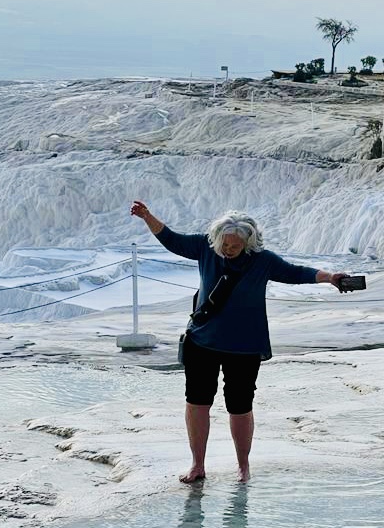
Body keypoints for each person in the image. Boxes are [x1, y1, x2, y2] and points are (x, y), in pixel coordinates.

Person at [130, 201, 348, 483]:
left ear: (248, 243)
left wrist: (330, 277)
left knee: (240, 406)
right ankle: (197, 465)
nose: (228, 249)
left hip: (244, 347)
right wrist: (147, 216)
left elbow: (296, 272)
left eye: (235, 245)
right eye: (224, 243)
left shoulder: (263, 260)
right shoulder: (205, 248)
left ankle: (243, 466)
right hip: (202, 341)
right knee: (197, 402)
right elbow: (172, 240)